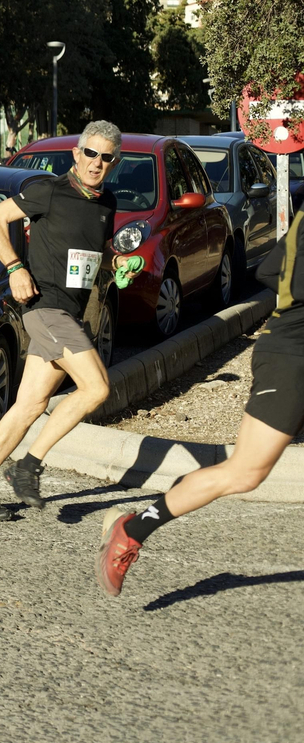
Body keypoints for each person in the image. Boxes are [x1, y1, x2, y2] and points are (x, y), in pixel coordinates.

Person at [97, 216, 304, 595]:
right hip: (293, 358)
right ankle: (133, 529)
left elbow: (273, 268)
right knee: (244, 473)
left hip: (287, 342)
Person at [0, 121, 137, 522]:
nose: (96, 163)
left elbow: (96, 250)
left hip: (70, 312)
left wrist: (118, 261)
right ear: (77, 153)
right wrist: (15, 267)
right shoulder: (49, 192)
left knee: (29, 405)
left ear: (115, 161)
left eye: (106, 157)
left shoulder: (106, 203)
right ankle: (28, 467)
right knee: (96, 388)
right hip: (46, 307)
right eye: (90, 153)